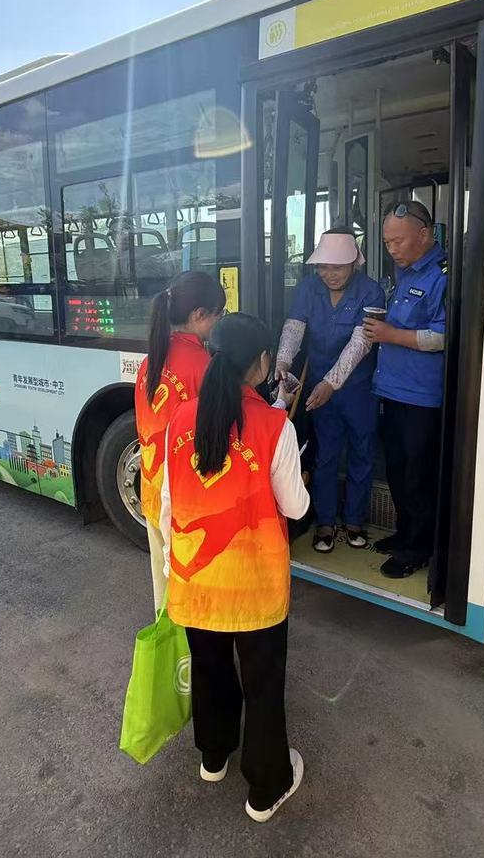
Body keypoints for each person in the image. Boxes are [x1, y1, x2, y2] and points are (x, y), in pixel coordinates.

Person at [158, 313, 310, 822]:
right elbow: (295, 507)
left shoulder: (180, 418)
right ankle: (266, 788)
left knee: (210, 668)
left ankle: (214, 755)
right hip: (255, 586)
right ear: (263, 362)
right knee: (262, 683)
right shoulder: (275, 425)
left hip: (195, 579)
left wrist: (171, 569)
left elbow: (168, 504)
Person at [274, 229, 385, 553]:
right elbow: (295, 327)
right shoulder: (309, 288)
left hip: (358, 389)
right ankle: (325, 521)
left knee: (362, 453)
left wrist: (331, 383)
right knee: (325, 454)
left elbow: (361, 343)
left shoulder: (371, 291)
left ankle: (354, 521)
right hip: (318, 387)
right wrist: (283, 361)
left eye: (337, 267)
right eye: (323, 266)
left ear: (354, 264)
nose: (329, 273)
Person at [363, 200, 448, 580]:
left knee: (418, 475)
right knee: (397, 469)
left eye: (398, 241)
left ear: (425, 234)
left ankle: (419, 548)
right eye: (386, 242)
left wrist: (390, 334)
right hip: (393, 389)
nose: (392, 249)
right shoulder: (404, 272)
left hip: (422, 396)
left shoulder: (442, 276)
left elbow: (442, 337)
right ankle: (405, 533)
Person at [134, 271, 227, 612]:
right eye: (219, 314)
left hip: (152, 487)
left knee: (163, 583)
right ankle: (190, 643)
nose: (219, 321)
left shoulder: (151, 360)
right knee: (192, 585)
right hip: (186, 500)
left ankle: (168, 638)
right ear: (199, 315)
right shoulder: (203, 365)